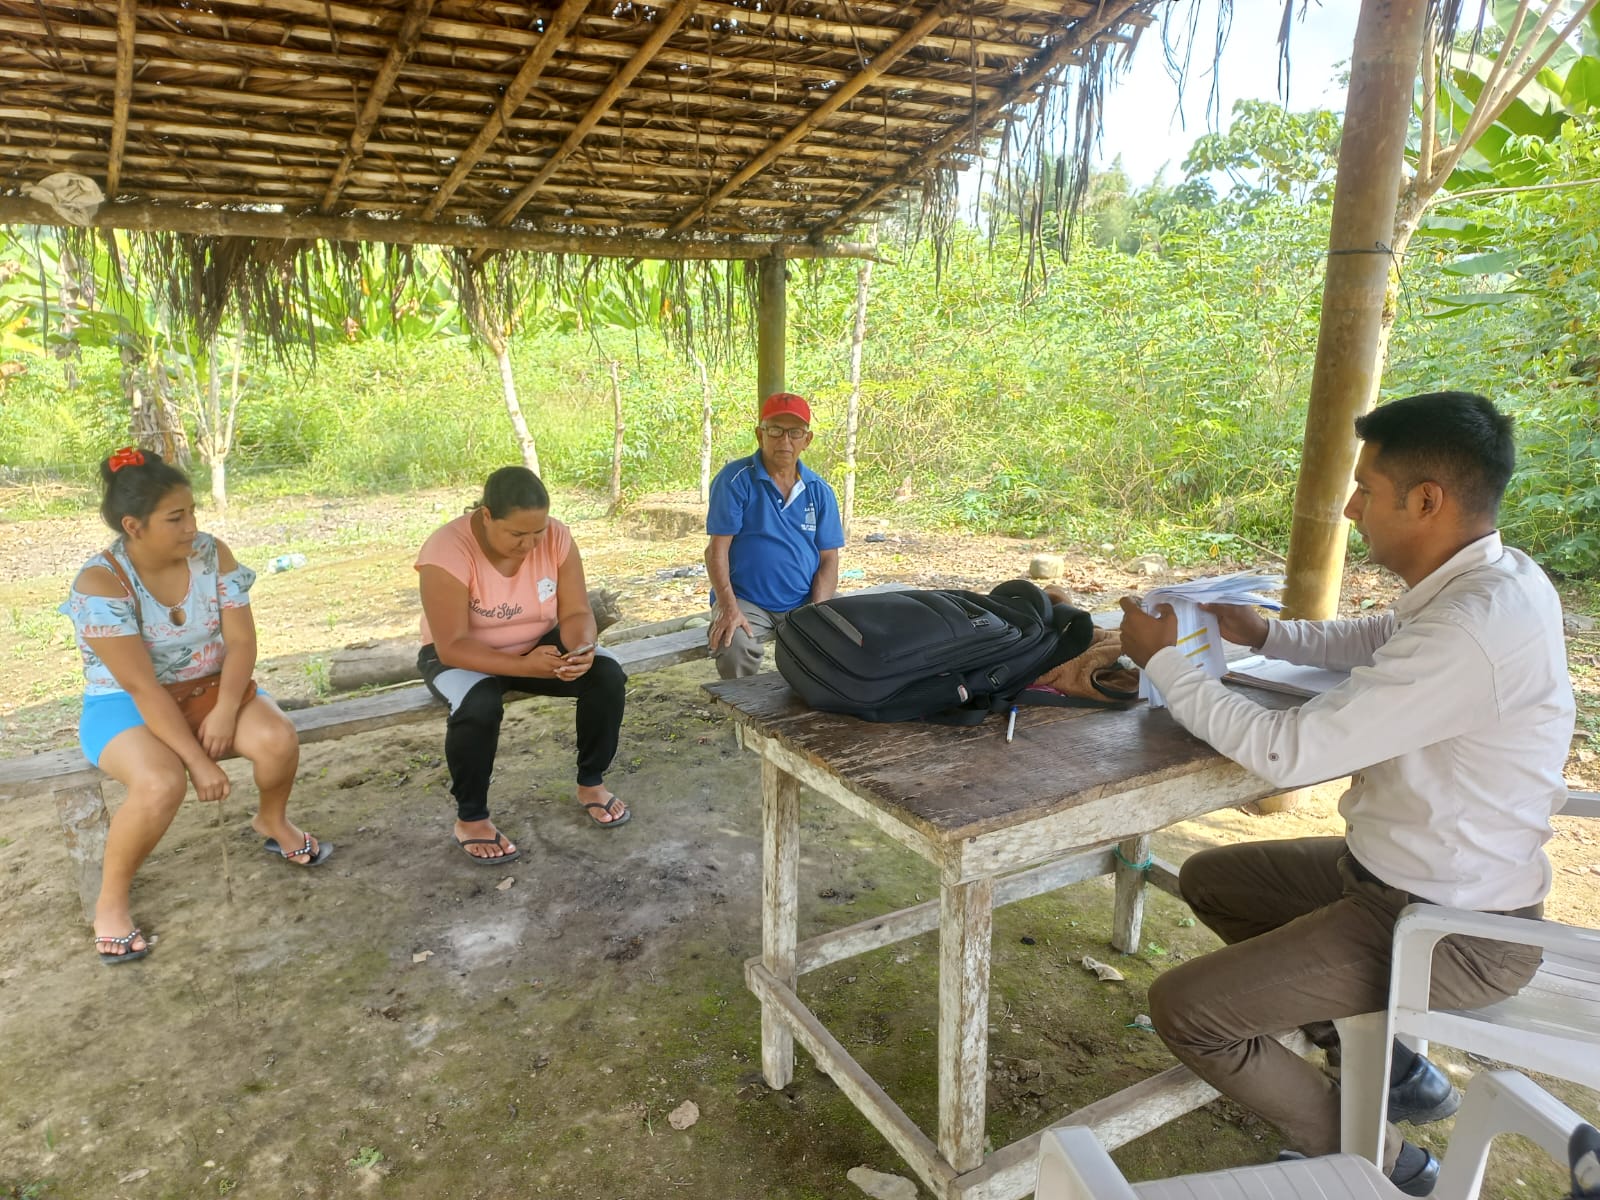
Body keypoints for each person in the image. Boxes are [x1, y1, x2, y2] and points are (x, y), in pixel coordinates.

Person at [1116, 392, 1575, 1197]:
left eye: (1367, 489)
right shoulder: (1491, 579)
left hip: (1452, 931)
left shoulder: (1471, 629)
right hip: (1392, 880)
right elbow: (1382, 638)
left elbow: (1288, 752)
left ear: (1426, 500)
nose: (1353, 508)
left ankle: (1380, 1157)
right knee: (1214, 881)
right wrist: (1268, 633)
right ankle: (1388, 1066)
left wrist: (1164, 663)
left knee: (1187, 1010)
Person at [63, 447, 321, 966]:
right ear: (133, 526)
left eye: (192, 512)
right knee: (162, 783)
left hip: (210, 688)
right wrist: (198, 761)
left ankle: (272, 821)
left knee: (277, 739)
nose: (192, 528)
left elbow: (241, 642)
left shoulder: (211, 554)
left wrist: (225, 708)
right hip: (125, 704)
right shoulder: (101, 583)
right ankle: (110, 902)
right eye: (175, 518)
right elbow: (141, 687)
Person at [416, 467, 628, 863]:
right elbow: (451, 646)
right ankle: (472, 818)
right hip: (462, 656)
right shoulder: (446, 551)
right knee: (478, 705)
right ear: (486, 516)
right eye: (516, 534)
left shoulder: (558, 537)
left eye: (538, 532)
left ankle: (591, 782)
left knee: (606, 674)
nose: (529, 545)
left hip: (536, 645)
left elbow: (577, 611)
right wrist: (525, 667)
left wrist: (582, 647)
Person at [704, 392, 845, 678]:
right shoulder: (735, 480)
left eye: (795, 433)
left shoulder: (819, 490)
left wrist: (817, 611)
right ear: (760, 435)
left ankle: (815, 701)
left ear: (807, 440)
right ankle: (743, 707)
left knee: (848, 633)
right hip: (745, 600)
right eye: (776, 431)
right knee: (733, 644)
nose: (785, 441)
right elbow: (716, 550)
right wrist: (729, 607)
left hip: (804, 598)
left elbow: (829, 559)